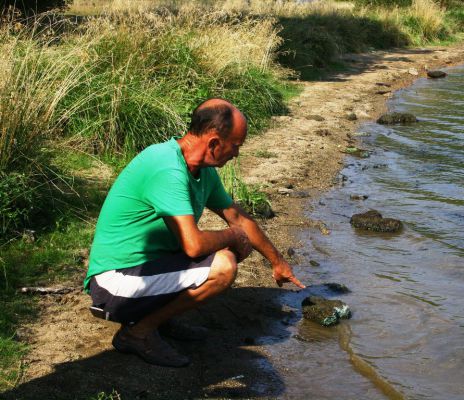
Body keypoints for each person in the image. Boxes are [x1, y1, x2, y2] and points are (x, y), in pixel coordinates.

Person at [84, 98, 305, 367]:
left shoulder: (201, 169)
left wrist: (277, 262)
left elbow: (239, 218)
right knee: (223, 265)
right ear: (213, 143)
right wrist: (232, 236)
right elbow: (193, 247)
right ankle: (137, 333)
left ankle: (161, 319)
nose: (236, 154)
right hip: (114, 283)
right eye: (236, 146)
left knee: (232, 247)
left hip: (146, 269)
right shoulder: (167, 168)